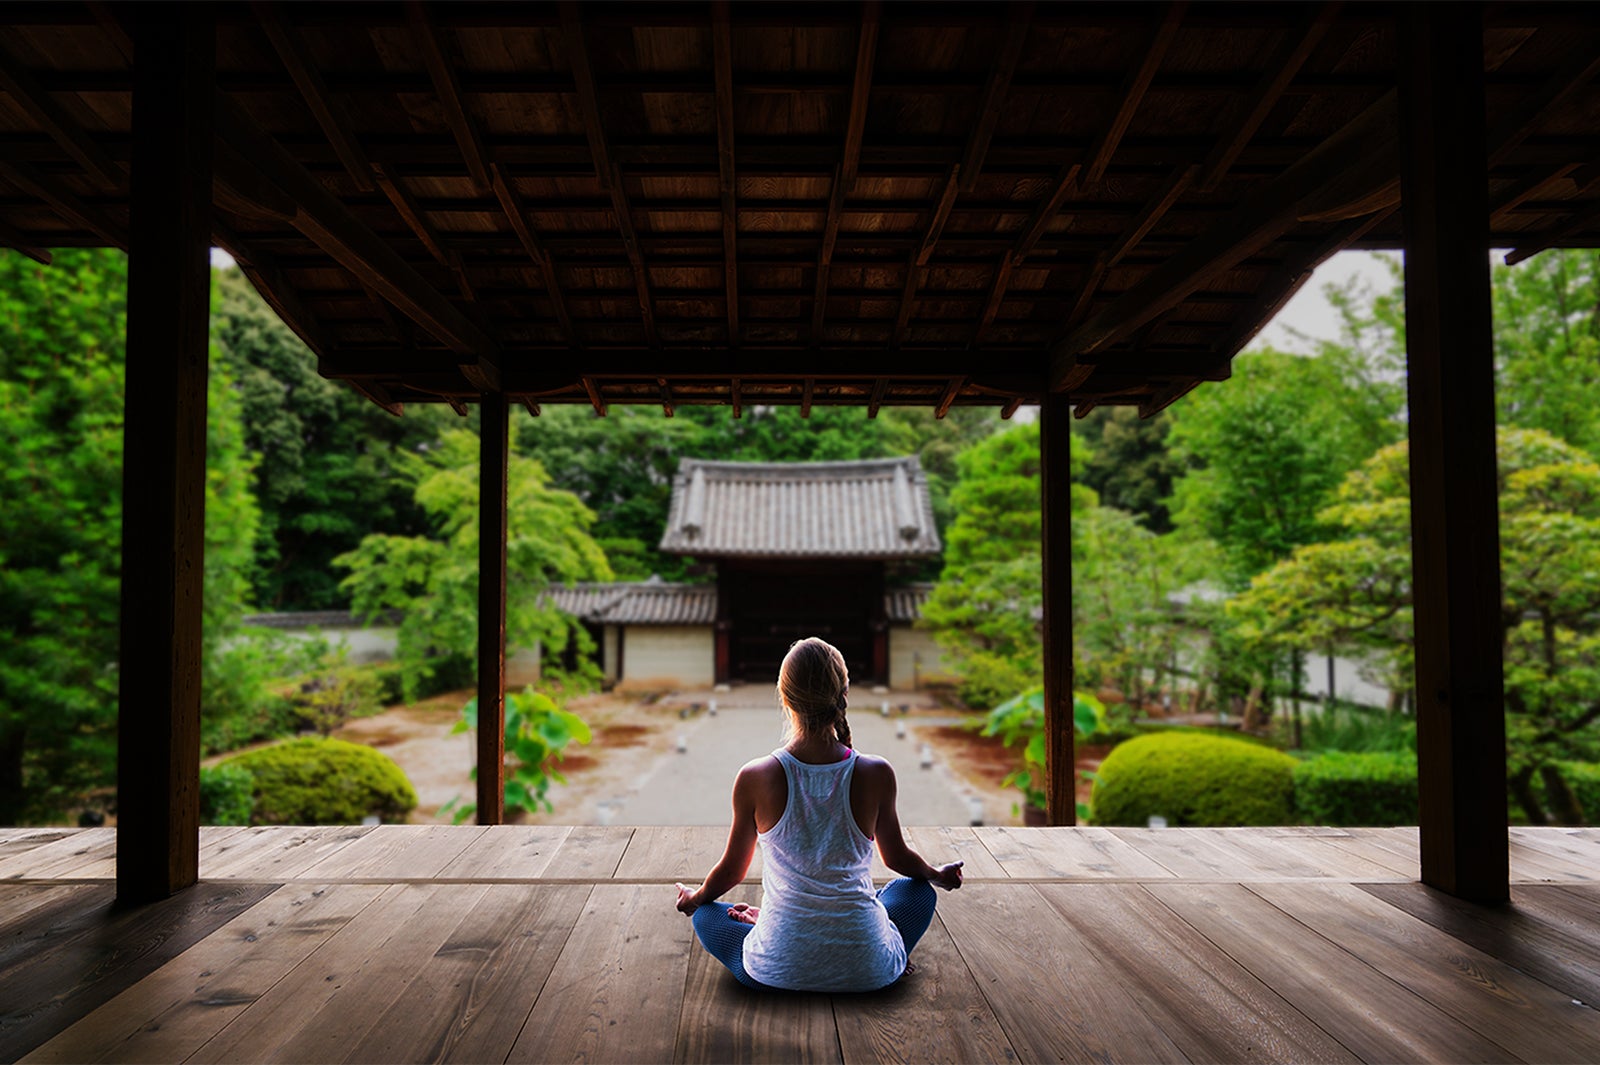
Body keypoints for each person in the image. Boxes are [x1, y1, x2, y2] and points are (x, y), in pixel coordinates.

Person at [674, 636, 964, 992]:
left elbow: (732, 871)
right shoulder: (876, 772)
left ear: (784, 698)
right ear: (844, 695)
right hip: (869, 972)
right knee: (917, 890)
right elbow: (897, 859)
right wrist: (936, 874)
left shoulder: (755, 776)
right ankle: (886, 953)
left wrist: (694, 898)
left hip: (776, 969)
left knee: (706, 913)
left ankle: (772, 928)